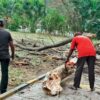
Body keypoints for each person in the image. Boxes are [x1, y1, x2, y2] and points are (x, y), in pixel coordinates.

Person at [0, 19, 15, 94]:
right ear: (3, 25)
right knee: (4, 73)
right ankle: (3, 91)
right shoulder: (7, 33)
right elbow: (12, 45)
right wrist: (12, 54)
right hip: (5, 56)